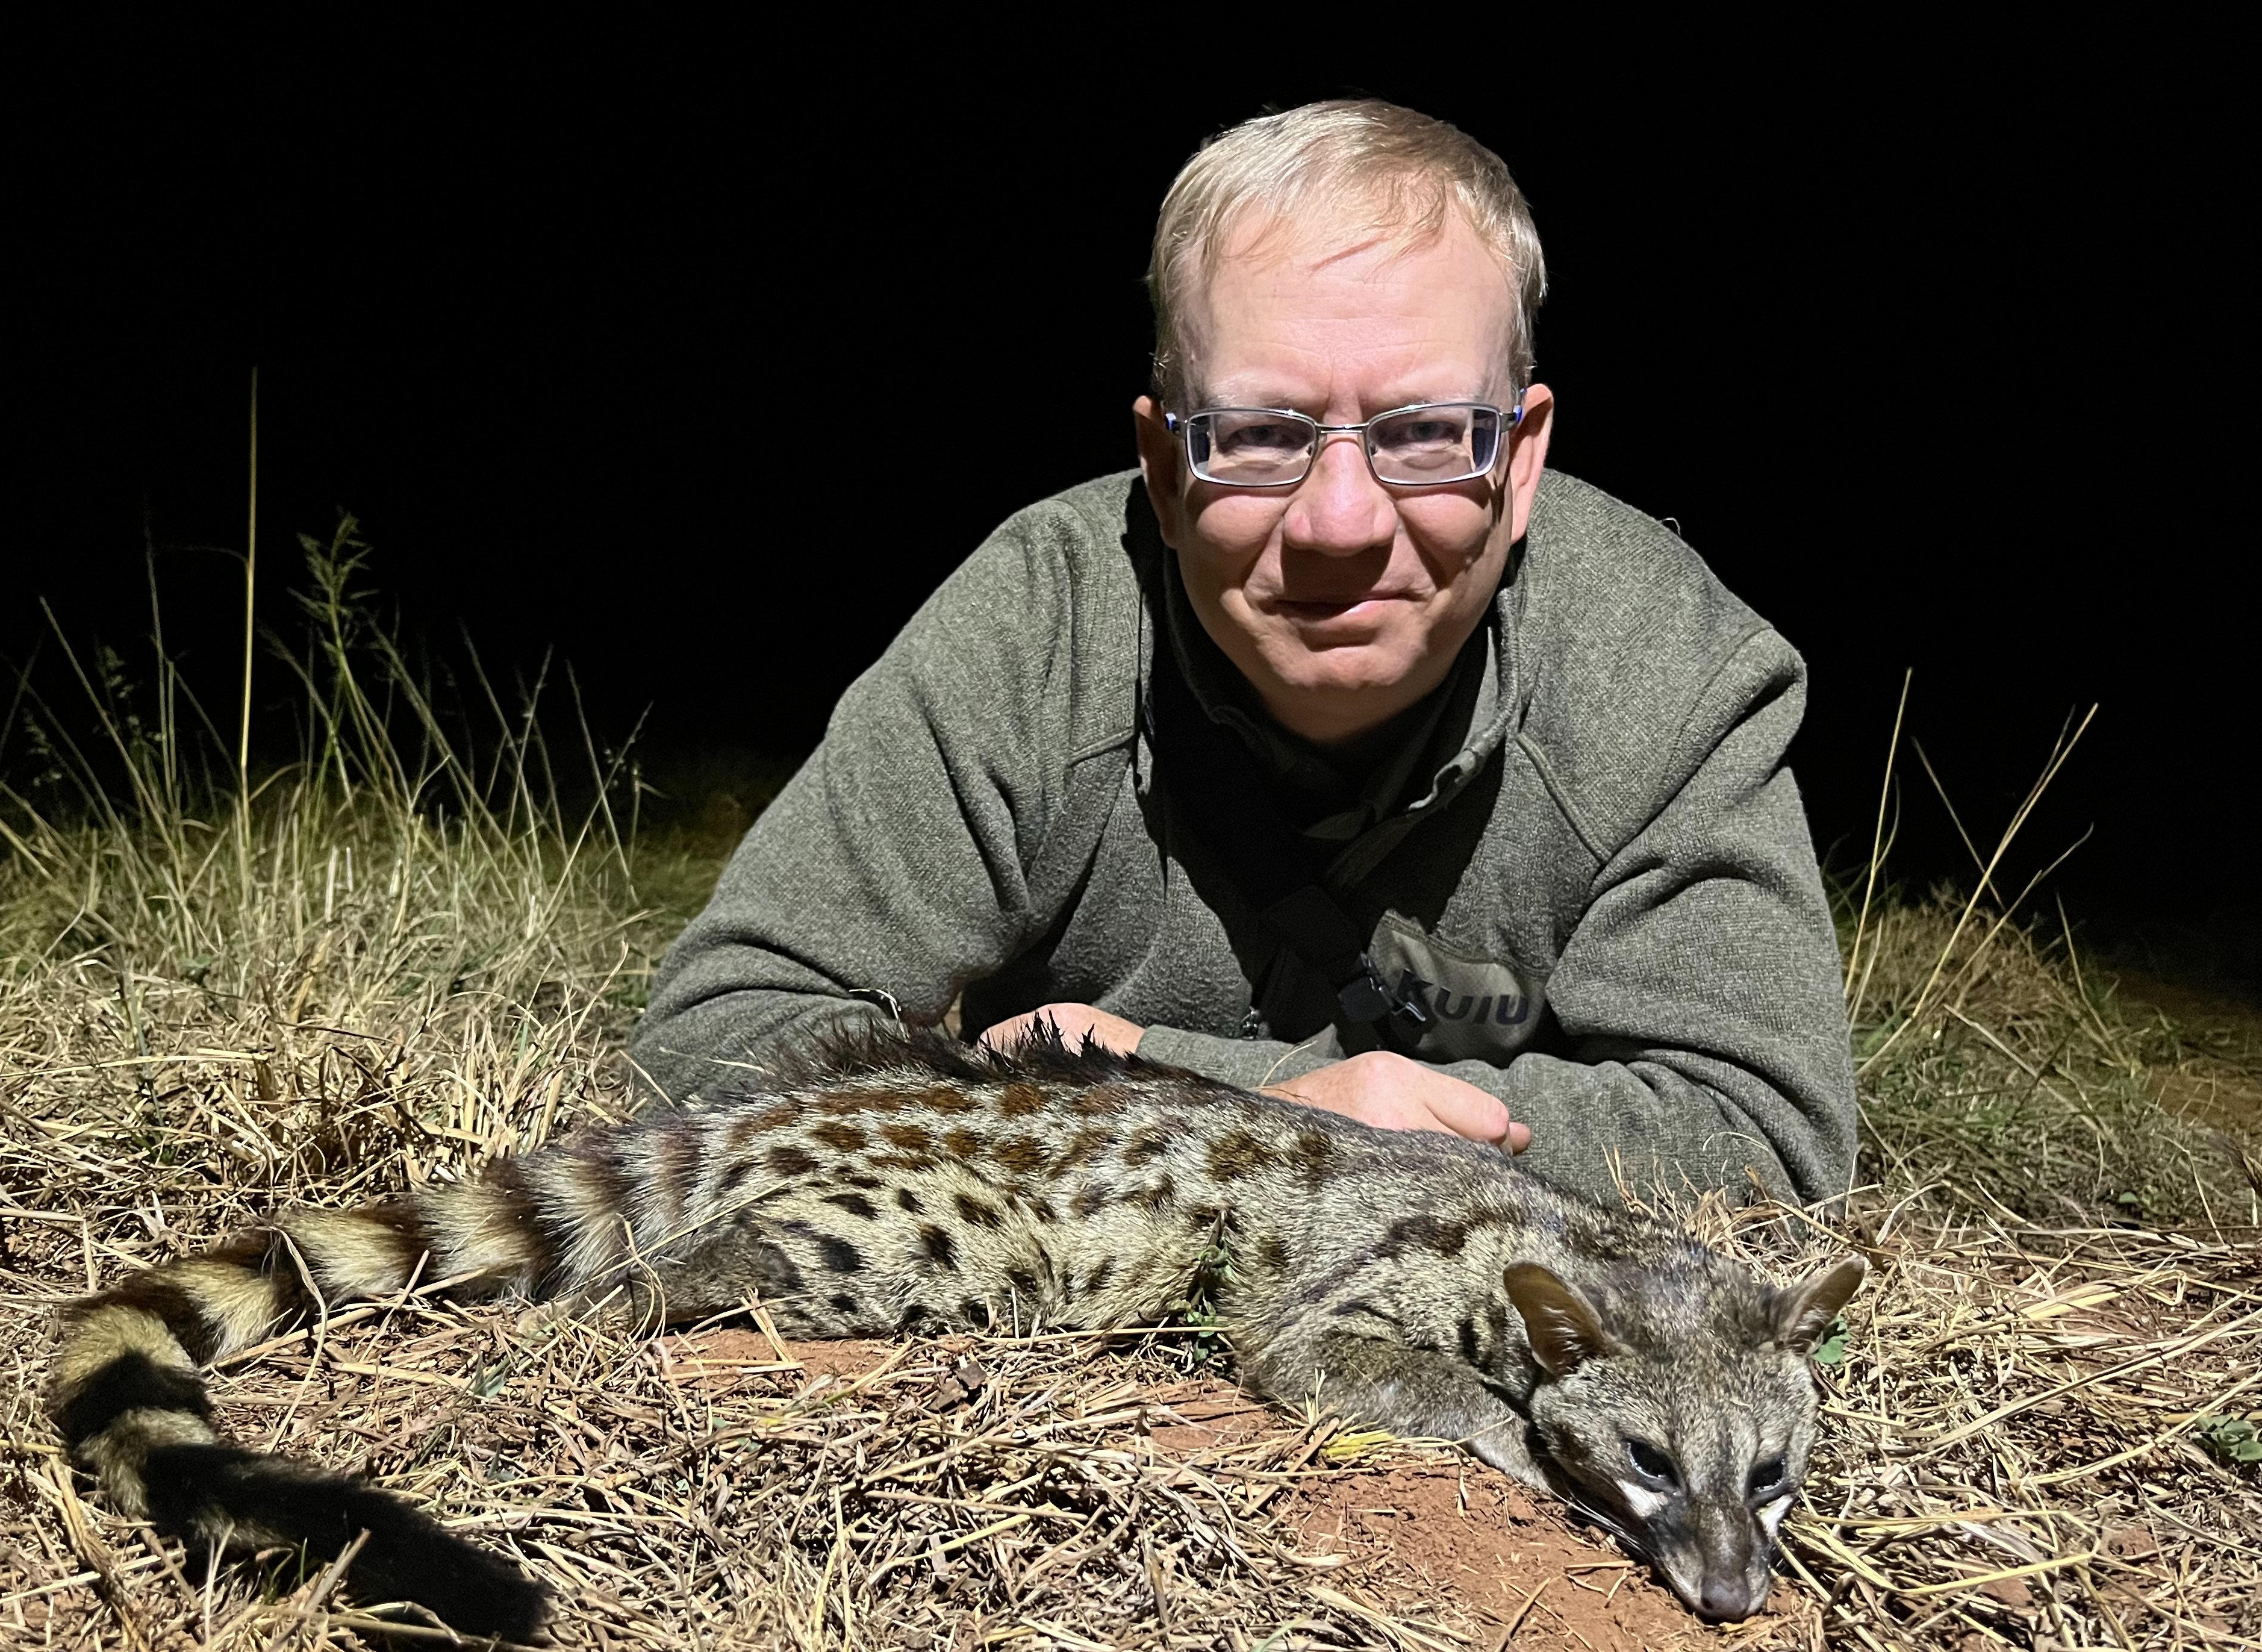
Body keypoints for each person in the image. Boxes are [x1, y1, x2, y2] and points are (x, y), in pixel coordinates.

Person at [635, 99, 1858, 1209]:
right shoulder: (1040, 623)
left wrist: (1185, 1093)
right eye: (1260, 436)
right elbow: (716, 1042)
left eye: (1426, 433)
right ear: (1164, 471)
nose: (1340, 523)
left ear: (1520, 460)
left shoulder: (1670, 672)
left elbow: (1765, 1137)